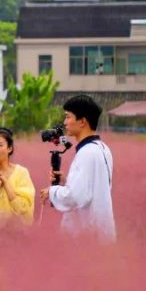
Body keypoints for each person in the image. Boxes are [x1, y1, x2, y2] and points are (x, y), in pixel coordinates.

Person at [40, 94, 116, 242]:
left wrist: (52, 191)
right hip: (101, 231)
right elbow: (93, 187)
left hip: (87, 236)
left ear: (82, 122)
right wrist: (66, 180)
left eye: (68, 117)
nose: (65, 122)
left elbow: (75, 196)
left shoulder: (87, 153)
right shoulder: (102, 148)